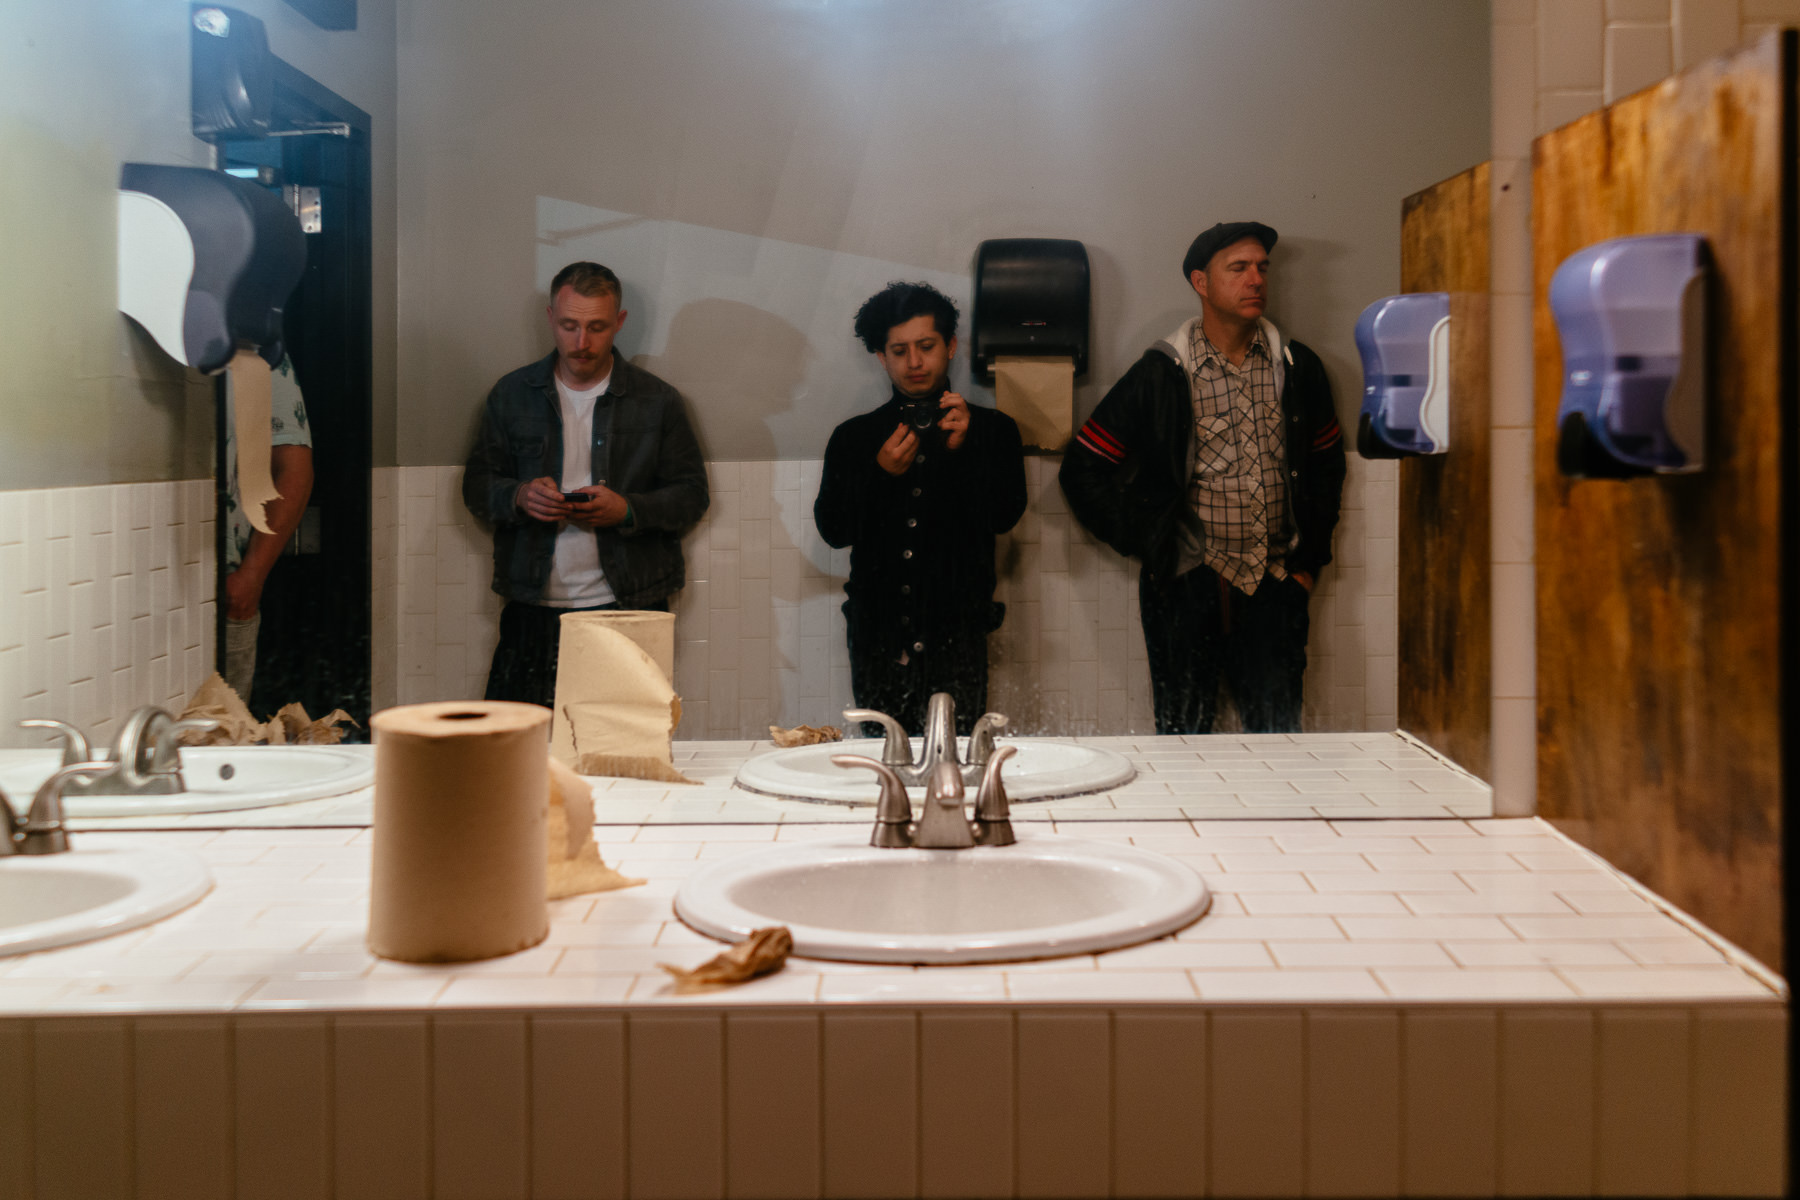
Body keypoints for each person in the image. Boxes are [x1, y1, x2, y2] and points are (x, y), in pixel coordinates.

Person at [1060, 222, 1345, 734]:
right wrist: (1153, 543)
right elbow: (1083, 467)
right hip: (1187, 588)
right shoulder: (1162, 372)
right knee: (1182, 740)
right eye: (1238, 268)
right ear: (1201, 282)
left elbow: (1327, 464)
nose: (1256, 279)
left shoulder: (1298, 367)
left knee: (1280, 744)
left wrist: (1307, 564)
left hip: (1275, 586)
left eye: (1262, 268)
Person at [463, 261, 709, 708]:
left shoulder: (657, 400)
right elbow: (477, 486)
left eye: (597, 327)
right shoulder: (511, 394)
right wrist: (520, 496)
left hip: (629, 606)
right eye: (569, 326)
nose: (581, 342)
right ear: (550, 318)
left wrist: (627, 510)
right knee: (515, 740)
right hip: (531, 608)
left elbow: (691, 495)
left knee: (624, 742)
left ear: (619, 321)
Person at [815, 281, 1027, 736]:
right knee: (883, 759)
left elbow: (1004, 515)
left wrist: (967, 451)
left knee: (959, 761)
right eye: (899, 350)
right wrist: (879, 474)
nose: (914, 362)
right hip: (878, 640)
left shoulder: (994, 430)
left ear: (950, 346)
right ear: (881, 357)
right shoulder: (854, 438)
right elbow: (833, 529)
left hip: (959, 639)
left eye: (926, 346)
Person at [223, 354, 314, 703]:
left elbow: (294, 469)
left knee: (224, 730)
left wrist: (251, 576)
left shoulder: (255, 346)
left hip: (227, 589)